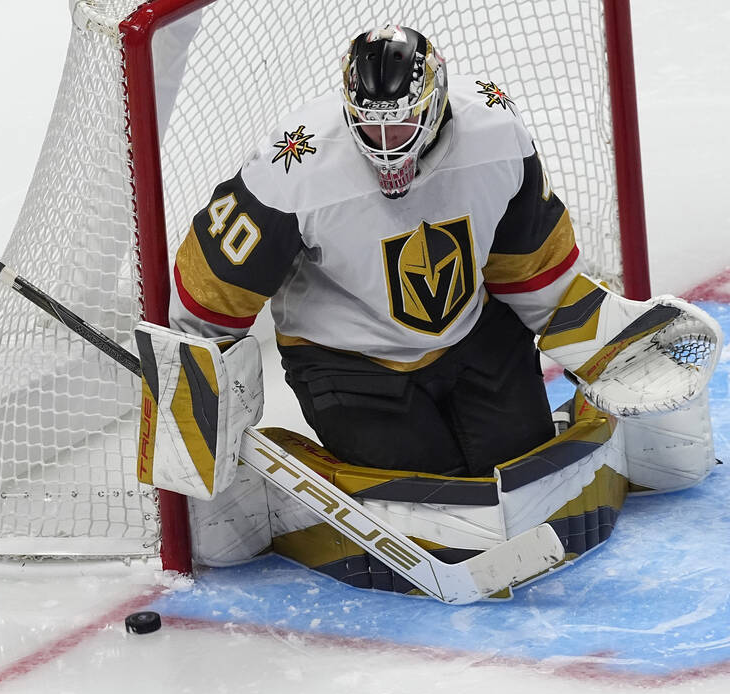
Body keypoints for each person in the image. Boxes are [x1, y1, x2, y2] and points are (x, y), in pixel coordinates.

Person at [168, 23, 576, 478]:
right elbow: (212, 290)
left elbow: (531, 262)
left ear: (435, 104)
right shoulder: (296, 165)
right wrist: (193, 398)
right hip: (347, 361)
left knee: (532, 473)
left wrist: (597, 347)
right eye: (369, 126)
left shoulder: (495, 131)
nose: (384, 146)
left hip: (474, 336)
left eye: (399, 125)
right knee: (436, 504)